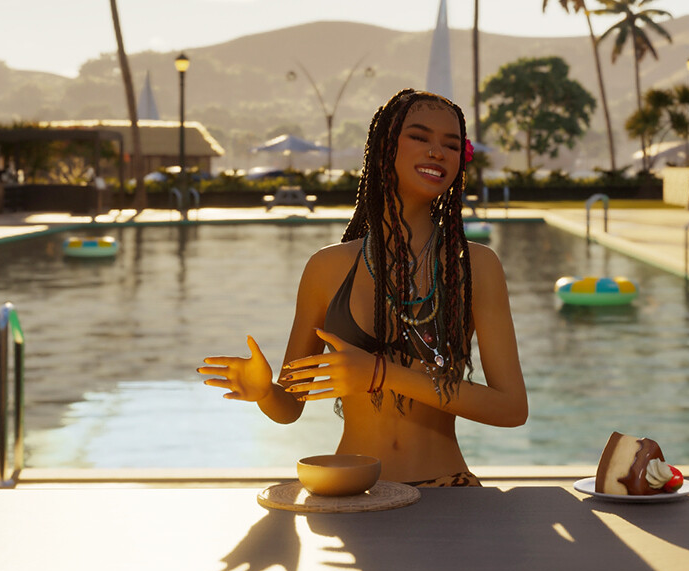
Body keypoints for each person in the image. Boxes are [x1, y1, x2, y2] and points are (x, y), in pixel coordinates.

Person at [199, 90, 527, 486]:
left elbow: (511, 409)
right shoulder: (327, 267)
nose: (438, 152)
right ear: (384, 148)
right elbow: (290, 406)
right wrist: (265, 392)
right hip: (355, 490)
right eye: (420, 137)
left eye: (452, 144)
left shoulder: (476, 266)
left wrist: (379, 372)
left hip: (448, 490)